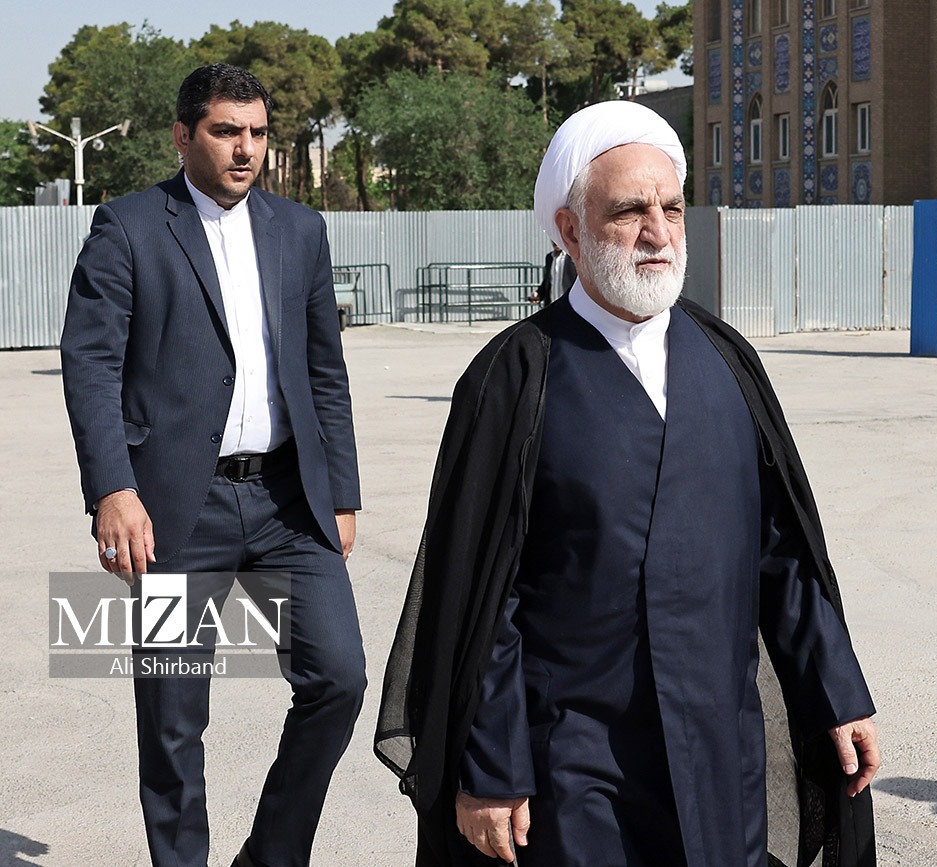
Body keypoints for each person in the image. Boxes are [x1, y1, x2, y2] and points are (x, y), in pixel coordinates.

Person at [375, 100, 881, 867]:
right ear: (570, 230)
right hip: (578, 763)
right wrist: (493, 764)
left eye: (671, 208)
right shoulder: (515, 377)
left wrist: (835, 691)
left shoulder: (727, 360)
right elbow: (478, 598)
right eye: (628, 211)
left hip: (720, 749)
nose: (657, 232)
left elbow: (782, 550)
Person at [60, 63, 366, 867]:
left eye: (258, 132)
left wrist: (341, 490)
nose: (246, 149)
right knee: (173, 718)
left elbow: (324, 371)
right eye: (227, 131)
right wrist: (113, 488)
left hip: (288, 502)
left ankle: (269, 856)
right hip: (173, 513)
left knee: (339, 678)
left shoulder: (300, 230)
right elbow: (90, 363)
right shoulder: (128, 226)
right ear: (183, 135)